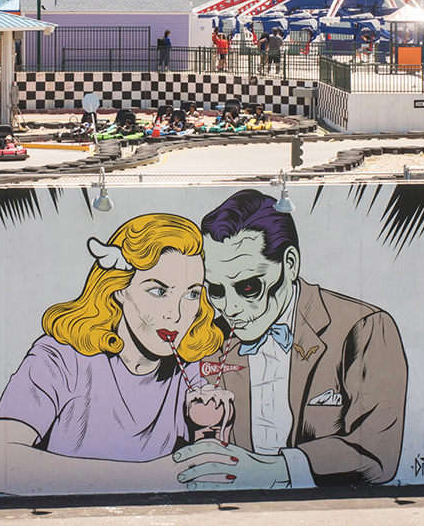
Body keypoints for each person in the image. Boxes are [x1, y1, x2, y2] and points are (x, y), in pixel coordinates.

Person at [0, 214, 224, 495]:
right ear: (119, 290)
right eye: (159, 291)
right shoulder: (61, 358)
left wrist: (212, 426)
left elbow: (206, 469)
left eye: (191, 294)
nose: (176, 314)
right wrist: (150, 477)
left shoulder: (187, 367)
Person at [173, 189, 407, 490]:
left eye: (248, 288)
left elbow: (376, 455)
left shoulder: (363, 327)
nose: (230, 308)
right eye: (216, 290)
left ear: (290, 264)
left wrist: (278, 470)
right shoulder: (208, 339)